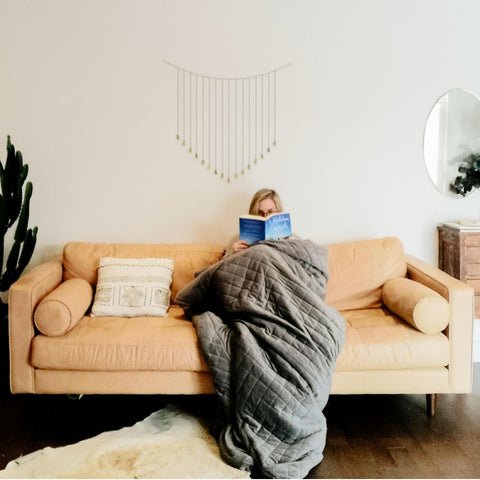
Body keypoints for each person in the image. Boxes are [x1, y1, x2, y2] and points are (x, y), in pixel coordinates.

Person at [225, 188, 285, 256]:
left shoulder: (289, 239)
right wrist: (233, 255)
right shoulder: (236, 240)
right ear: (253, 213)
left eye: (270, 211)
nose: (265, 216)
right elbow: (223, 265)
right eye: (260, 212)